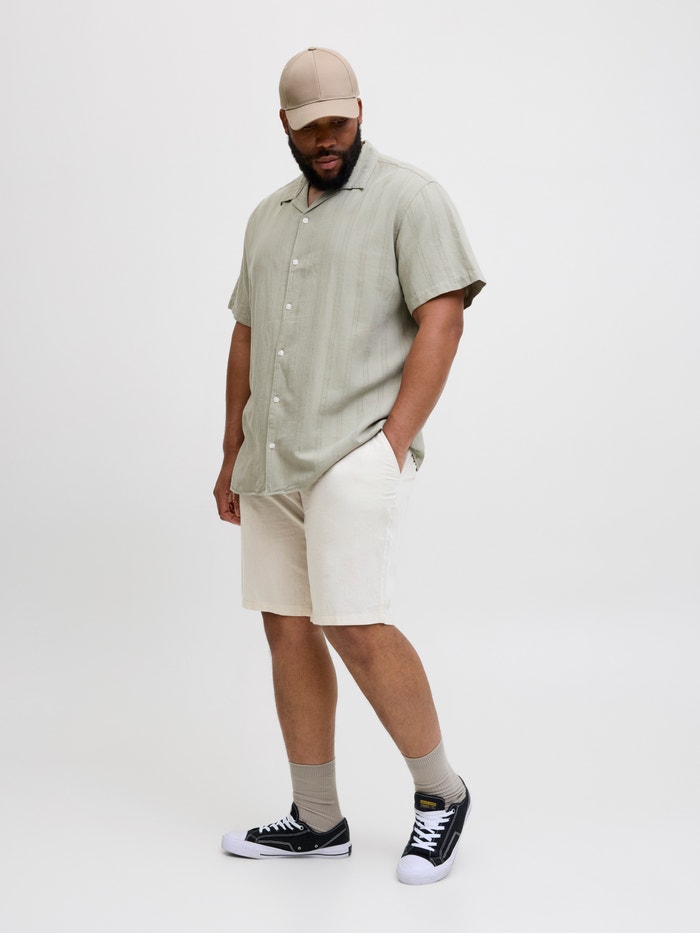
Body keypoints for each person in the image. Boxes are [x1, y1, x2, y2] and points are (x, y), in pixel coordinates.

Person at [213, 47, 485, 885]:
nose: (326, 139)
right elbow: (247, 335)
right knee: (287, 625)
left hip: (354, 447)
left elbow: (443, 318)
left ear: (360, 112)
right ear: (285, 127)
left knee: (354, 623)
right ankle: (317, 816)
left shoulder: (411, 198)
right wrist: (230, 450)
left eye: (338, 122)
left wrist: (393, 440)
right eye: (310, 128)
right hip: (271, 455)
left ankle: (442, 793)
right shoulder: (267, 217)